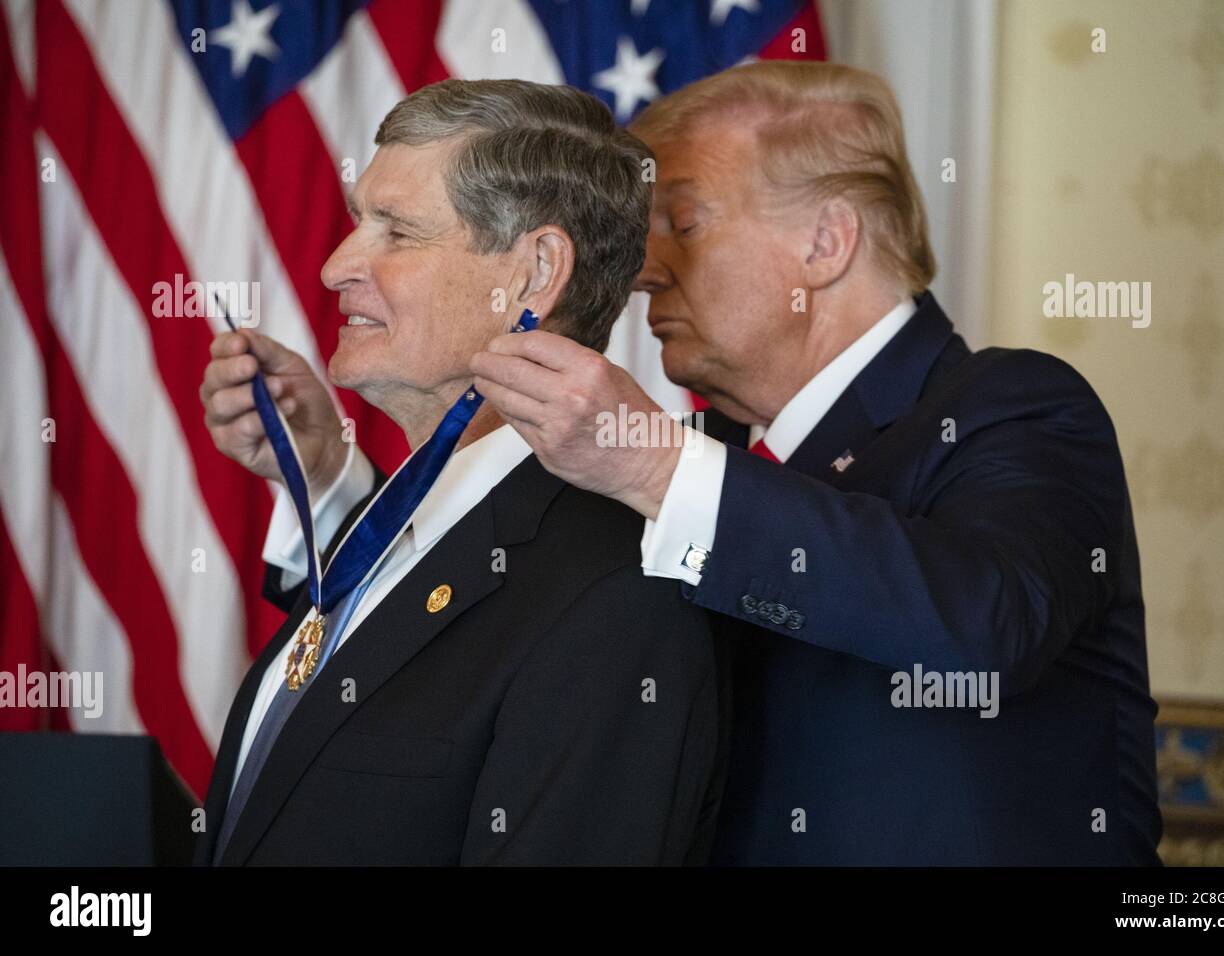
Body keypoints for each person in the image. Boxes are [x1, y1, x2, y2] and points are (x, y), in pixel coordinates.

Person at [469, 61, 1163, 865]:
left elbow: (989, 624)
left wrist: (658, 468)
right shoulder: (702, 455)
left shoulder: (1018, 403)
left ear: (826, 243)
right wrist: (332, 489)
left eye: (684, 224)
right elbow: (497, 600)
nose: (643, 273)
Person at [195, 79, 725, 866]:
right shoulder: (400, 527)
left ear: (536, 274)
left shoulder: (615, 595)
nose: (337, 265)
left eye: (396, 231)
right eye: (355, 223)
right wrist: (321, 473)